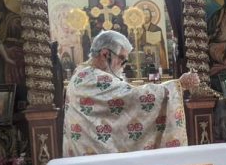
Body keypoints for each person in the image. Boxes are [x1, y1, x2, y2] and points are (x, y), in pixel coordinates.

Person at [62, 30, 199, 157]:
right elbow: (134, 97)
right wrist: (178, 85)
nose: (123, 65)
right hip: (94, 162)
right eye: (122, 58)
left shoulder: (83, 73)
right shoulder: (94, 78)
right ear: (105, 54)